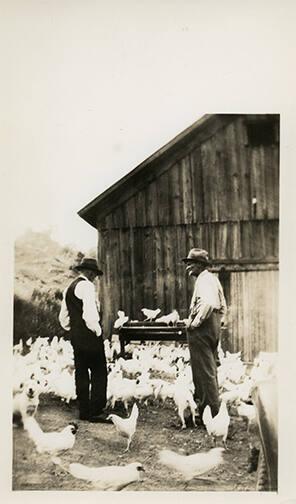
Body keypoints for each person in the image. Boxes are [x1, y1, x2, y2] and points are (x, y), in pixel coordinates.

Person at [59, 257, 111, 423]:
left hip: (76, 336)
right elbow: (90, 313)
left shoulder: (69, 287)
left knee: (81, 372)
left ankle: (84, 410)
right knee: (98, 371)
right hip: (90, 335)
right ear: (89, 272)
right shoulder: (87, 286)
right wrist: (97, 330)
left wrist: (74, 328)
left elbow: (64, 317)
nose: (95, 278)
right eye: (95, 274)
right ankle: (96, 410)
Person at [182, 248, 227, 420]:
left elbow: (208, 303)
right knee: (210, 369)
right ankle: (208, 409)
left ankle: (210, 413)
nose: (187, 267)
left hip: (202, 329)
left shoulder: (203, 280)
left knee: (203, 372)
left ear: (200, 265)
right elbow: (222, 305)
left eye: (190, 264)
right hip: (212, 326)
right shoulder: (212, 280)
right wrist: (218, 322)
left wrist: (195, 322)